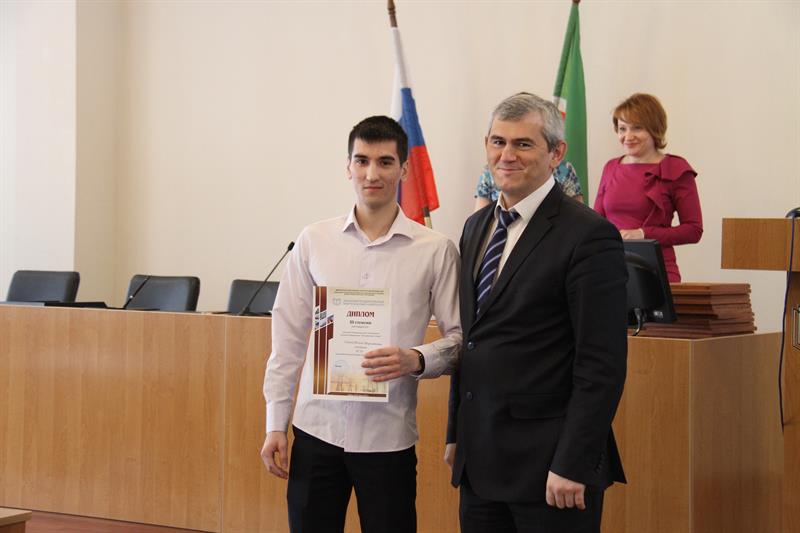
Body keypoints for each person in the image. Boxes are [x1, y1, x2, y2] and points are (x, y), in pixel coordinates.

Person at [261, 115, 462, 533]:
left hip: (388, 437)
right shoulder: (314, 241)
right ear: (348, 166)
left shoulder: (436, 250)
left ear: (404, 169)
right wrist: (275, 423)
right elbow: (288, 340)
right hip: (316, 431)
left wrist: (415, 358)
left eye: (385, 162)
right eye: (362, 161)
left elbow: (461, 340)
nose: (372, 174)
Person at [446, 93, 627, 533]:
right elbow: (474, 339)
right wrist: (456, 432)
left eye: (523, 144)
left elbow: (601, 364)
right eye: (498, 142)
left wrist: (573, 462)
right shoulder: (476, 226)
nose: (506, 155)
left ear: (556, 153)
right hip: (480, 463)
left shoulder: (589, 234)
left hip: (551, 471)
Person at [594, 93, 703, 282]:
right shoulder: (610, 167)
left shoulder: (675, 168)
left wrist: (644, 234)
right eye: (622, 129)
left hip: (656, 270)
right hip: (609, 268)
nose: (628, 136)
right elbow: (596, 223)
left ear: (654, 128)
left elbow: (693, 230)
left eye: (637, 128)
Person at [474, 160, 584, 211]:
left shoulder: (564, 169)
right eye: (499, 142)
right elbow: (480, 220)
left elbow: (579, 216)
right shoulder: (490, 171)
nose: (508, 156)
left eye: (523, 144)